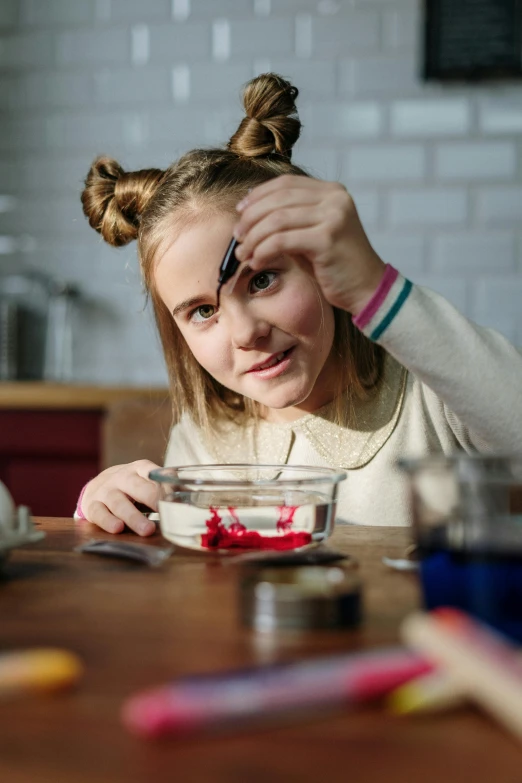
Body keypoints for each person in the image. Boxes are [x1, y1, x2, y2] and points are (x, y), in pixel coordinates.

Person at [77, 72, 522, 537]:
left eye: (263, 280)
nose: (246, 333)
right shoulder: (201, 440)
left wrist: (375, 287)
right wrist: (105, 507)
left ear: (320, 266)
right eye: (203, 311)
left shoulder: (432, 395)